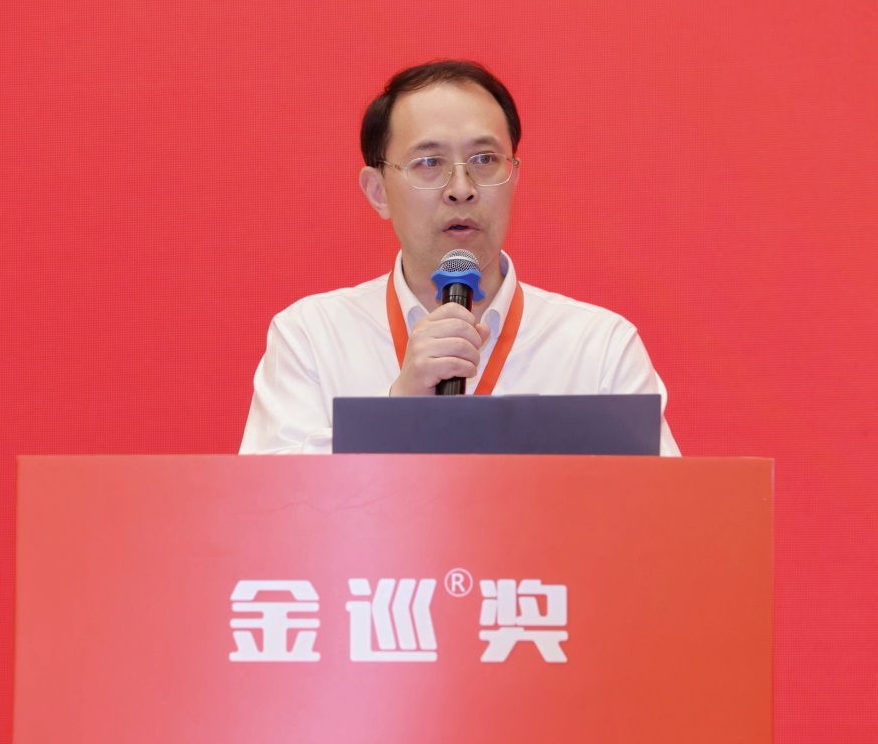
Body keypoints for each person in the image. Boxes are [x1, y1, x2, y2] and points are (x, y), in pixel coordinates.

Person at [240, 60, 680, 455]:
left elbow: (663, 505)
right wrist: (398, 412)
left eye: (485, 159)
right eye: (429, 162)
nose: (461, 188)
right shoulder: (311, 337)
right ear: (378, 192)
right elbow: (270, 504)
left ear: (514, 177)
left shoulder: (599, 347)